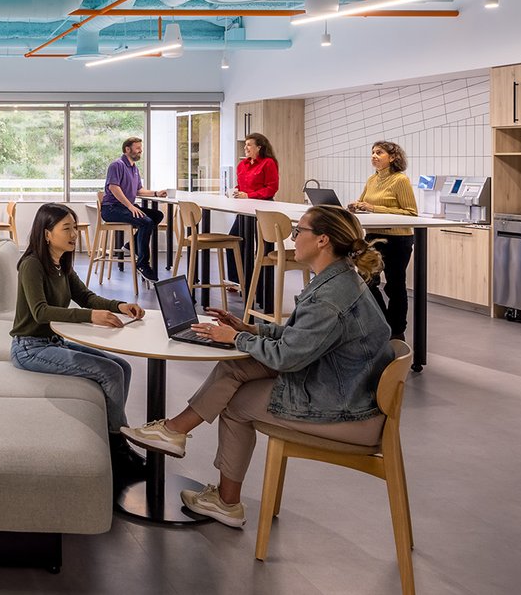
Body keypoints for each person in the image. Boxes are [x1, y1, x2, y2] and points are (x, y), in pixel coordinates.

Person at [120, 205, 394, 528]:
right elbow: (301, 338)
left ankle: (209, 478)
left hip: (347, 410)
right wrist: (249, 330)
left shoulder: (330, 298)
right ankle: (179, 440)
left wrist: (235, 338)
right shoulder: (338, 280)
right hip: (346, 389)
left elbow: (286, 357)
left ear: (322, 240)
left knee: (236, 401)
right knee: (239, 368)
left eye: (298, 231)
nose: (292, 239)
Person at [10, 202, 149, 483]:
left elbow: (87, 297)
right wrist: (90, 316)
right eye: (67, 228)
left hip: (52, 343)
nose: (74, 234)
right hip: (30, 347)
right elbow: (41, 311)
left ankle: (117, 441)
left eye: (75, 227)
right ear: (47, 233)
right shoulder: (32, 265)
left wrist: (120, 305)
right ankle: (117, 451)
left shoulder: (60, 264)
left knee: (122, 366)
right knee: (109, 371)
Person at [348, 140, 418, 339]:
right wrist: (356, 205)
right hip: (373, 237)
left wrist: (373, 208)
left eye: (379, 152)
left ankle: (396, 332)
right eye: (372, 152)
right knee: (367, 281)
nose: (374, 156)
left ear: (393, 157)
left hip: (398, 239)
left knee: (395, 286)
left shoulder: (400, 180)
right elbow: (364, 203)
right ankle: (383, 322)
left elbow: (411, 213)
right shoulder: (372, 179)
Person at [102, 137, 168, 283]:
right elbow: (114, 187)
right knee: (146, 222)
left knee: (157, 215)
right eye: (138, 148)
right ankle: (142, 264)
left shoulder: (134, 168)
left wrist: (156, 193)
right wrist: (130, 206)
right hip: (111, 209)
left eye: (141, 148)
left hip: (124, 207)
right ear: (127, 149)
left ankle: (130, 245)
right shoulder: (116, 165)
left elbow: (139, 190)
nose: (140, 151)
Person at [226, 132, 281, 291]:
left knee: (262, 249)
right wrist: (234, 192)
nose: (246, 147)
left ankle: (260, 287)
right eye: (245, 144)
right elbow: (241, 187)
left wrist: (249, 195)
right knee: (234, 241)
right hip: (244, 209)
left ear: (259, 147)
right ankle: (237, 282)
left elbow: (271, 188)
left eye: (249, 145)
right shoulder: (242, 165)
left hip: (263, 209)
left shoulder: (268, 163)